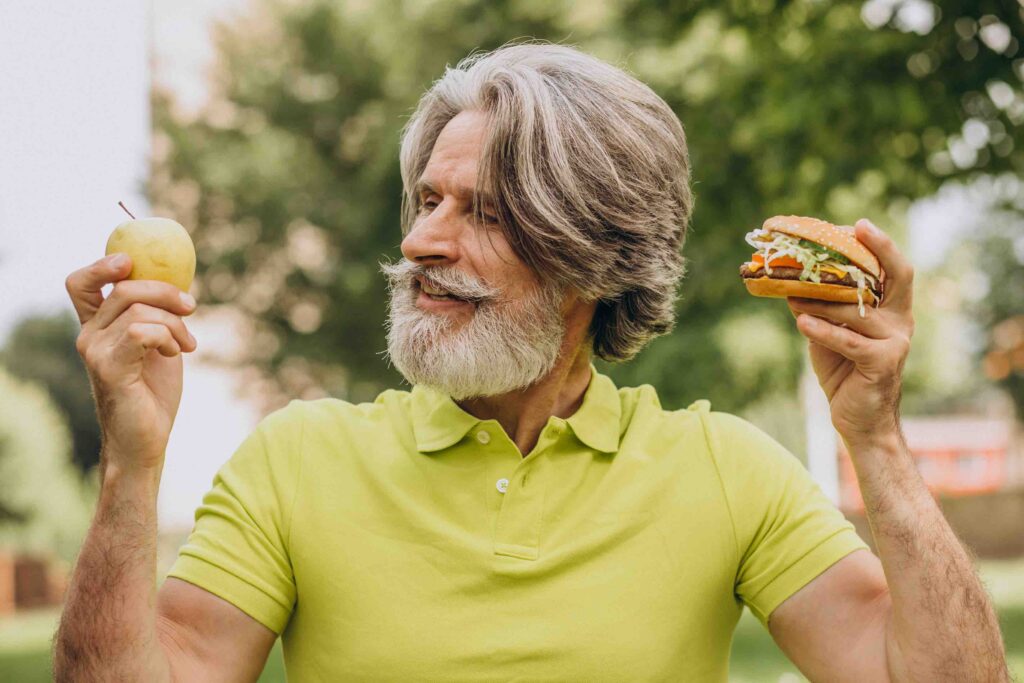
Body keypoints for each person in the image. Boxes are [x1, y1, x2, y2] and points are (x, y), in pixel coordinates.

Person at [55, 43, 1007, 681]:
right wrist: (132, 460)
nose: (424, 239)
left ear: (595, 259)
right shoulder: (295, 458)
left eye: (487, 212)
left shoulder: (724, 468)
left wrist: (874, 438)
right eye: (428, 199)